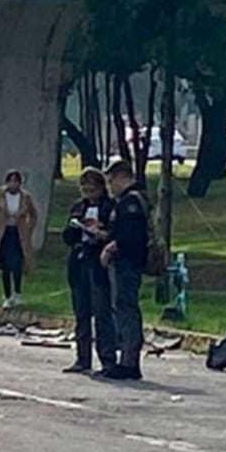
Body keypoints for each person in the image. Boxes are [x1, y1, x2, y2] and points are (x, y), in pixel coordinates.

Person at [61, 168, 117, 374]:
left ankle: (108, 358)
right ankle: (82, 358)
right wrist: (76, 229)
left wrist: (100, 233)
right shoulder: (78, 207)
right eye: (85, 190)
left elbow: (115, 233)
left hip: (98, 261)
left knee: (102, 312)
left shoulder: (110, 207)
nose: (88, 194)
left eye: (92, 190)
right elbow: (67, 237)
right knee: (81, 311)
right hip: (79, 260)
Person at [99, 160, 148, 380]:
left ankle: (129, 361)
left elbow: (131, 236)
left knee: (126, 308)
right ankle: (126, 359)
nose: (110, 187)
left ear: (122, 177)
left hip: (127, 263)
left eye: (111, 181)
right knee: (122, 308)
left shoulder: (130, 203)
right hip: (125, 263)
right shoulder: (128, 200)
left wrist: (111, 247)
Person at [0, 170, 39, 309]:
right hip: (2, 233)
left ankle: (17, 293)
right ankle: (7, 296)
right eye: (10, 181)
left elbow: (33, 214)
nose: (13, 184)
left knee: (17, 264)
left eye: (16, 181)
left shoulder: (25, 197)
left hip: (17, 233)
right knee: (5, 265)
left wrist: (29, 228)